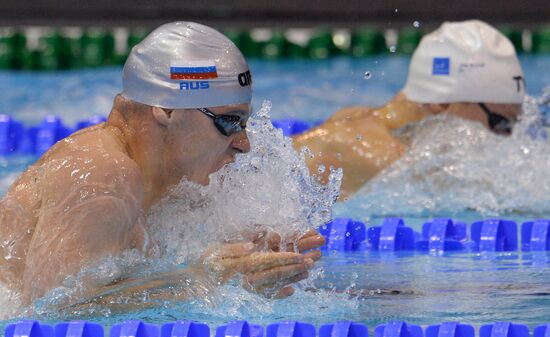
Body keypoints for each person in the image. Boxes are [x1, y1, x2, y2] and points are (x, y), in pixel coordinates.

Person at [0, 22, 325, 306]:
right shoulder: (102, 176)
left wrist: (246, 258)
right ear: (167, 110)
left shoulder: (165, 180)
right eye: (229, 121)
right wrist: (206, 281)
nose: (244, 143)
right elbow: (51, 310)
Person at [293, 20, 525, 198]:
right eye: (501, 123)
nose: (506, 139)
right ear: (442, 103)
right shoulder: (382, 158)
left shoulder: (359, 118)